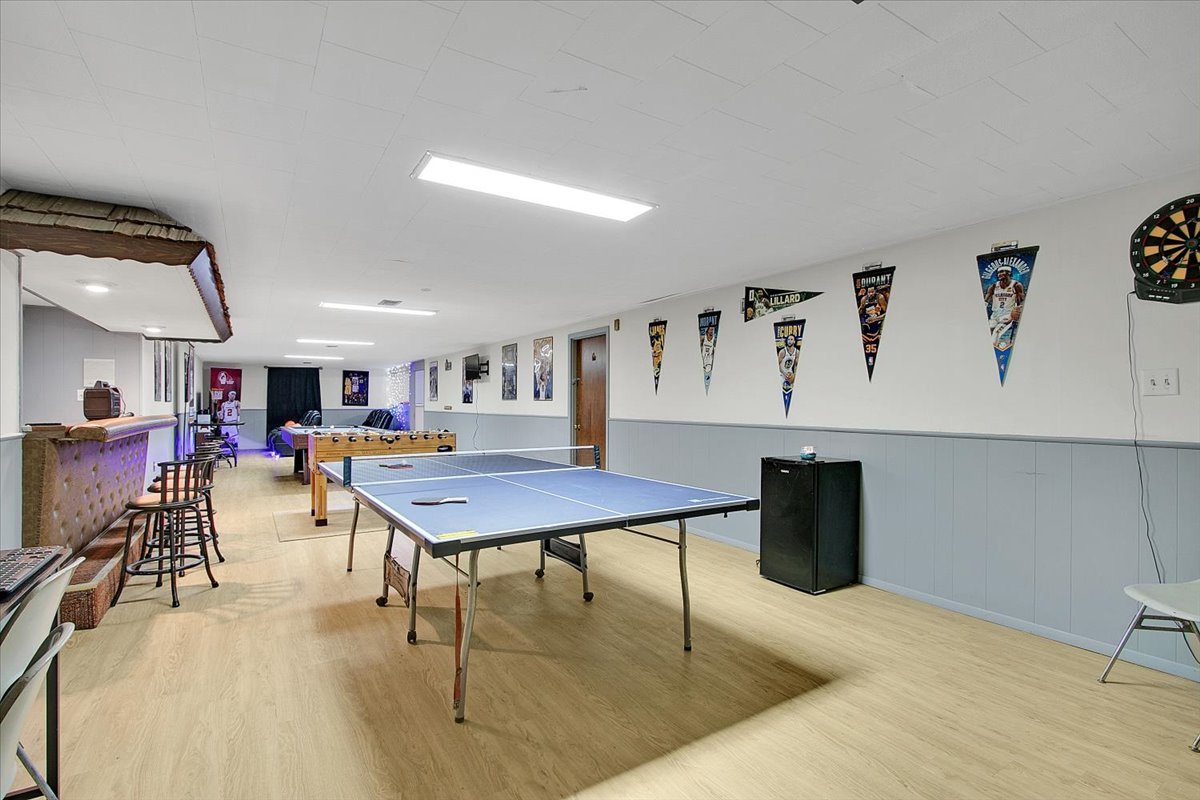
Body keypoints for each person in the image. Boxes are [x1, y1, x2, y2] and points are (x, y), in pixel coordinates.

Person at [985, 264, 1025, 351]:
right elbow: (986, 301)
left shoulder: (1016, 285)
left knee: (997, 332)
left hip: (1007, 314)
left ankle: (994, 352)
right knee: (987, 331)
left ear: (1009, 273)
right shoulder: (994, 286)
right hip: (995, 315)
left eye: (1002, 272)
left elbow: (1021, 302)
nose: (999, 274)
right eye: (998, 272)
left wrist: (1017, 312)